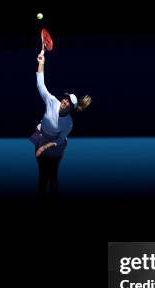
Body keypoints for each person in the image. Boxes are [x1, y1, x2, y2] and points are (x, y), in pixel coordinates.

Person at [31, 50, 91, 196]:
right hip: (42, 137)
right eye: (66, 98)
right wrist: (41, 63)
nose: (65, 101)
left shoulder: (68, 123)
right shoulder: (52, 101)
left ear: (71, 108)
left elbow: (60, 139)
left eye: (69, 102)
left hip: (53, 146)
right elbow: (41, 85)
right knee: (42, 175)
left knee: (52, 177)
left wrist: (45, 146)